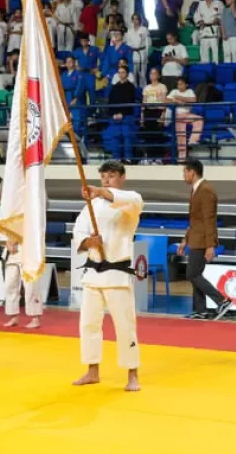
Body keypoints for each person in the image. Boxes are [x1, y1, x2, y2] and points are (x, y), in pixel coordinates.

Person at [72, 160, 144, 392]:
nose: (106, 180)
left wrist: (101, 191)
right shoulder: (90, 207)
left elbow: (123, 200)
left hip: (117, 273)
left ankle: (132, 373)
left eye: (111, 176)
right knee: (88, 324)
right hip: (93, 272)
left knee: (125, 326)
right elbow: (78, 233)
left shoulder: (131, 200)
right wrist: (88, 242)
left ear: (122, 177)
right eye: (103, 176)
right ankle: (92, 370)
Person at [178, 159, 231, 320]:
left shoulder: (206, 190)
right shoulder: (196, 189)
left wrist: (210, 245)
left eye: (184, 172)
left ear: (191, 172)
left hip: (202, 240)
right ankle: (200, 310)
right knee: (195, 273)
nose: (183, 176)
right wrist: (185, 240)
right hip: (196, 238)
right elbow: (195, 220)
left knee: (192, 274)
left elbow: (209, 220)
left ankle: (222, 300)